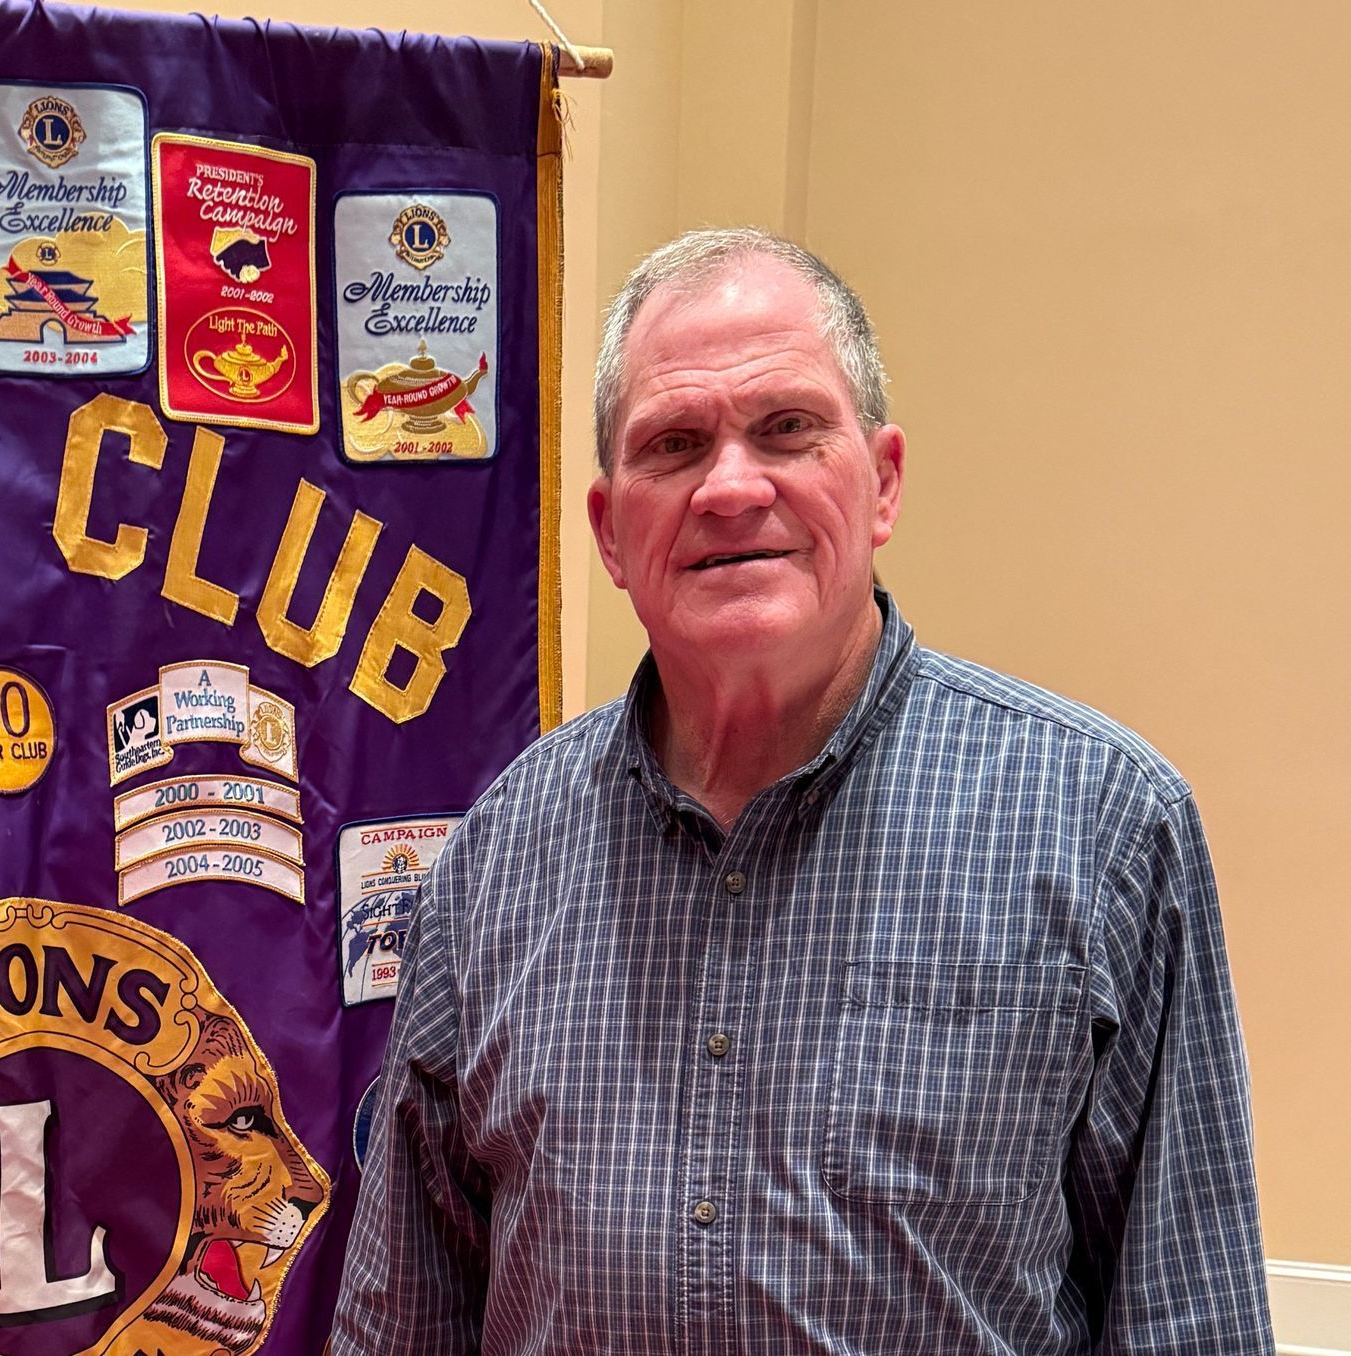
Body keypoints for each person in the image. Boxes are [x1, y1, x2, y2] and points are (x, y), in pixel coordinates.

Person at [331, 228, 1272, 1354]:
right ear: (611, 531)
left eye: (787, 428)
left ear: (881, 483)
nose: (731, 486)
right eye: (674, 445)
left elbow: (1191, 1319)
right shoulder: (496, 859)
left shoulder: (1109, 828)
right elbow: (404, 1324)